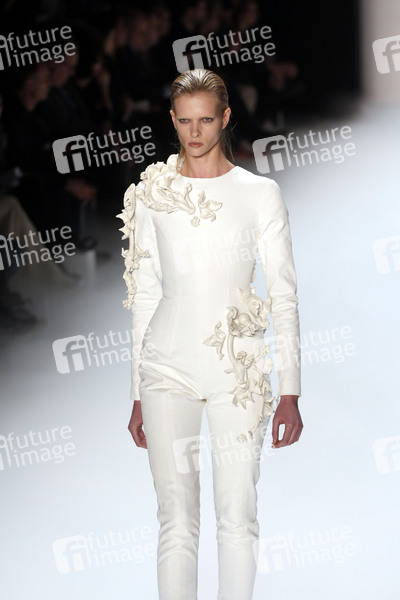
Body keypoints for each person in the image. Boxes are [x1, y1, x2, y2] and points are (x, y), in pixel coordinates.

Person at [118, 68, 303, 600]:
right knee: (175, 519)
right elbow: (144, 295)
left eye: (205, 120)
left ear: (225, 118)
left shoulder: (259, 194)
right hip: (165, 368)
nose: (194, 132)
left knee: (237, 515)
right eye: (184, 121)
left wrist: (290, 390)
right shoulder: (153, 193)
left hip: (237, 370)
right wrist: (136, 392)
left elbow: (284, 295)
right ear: (173, 121)